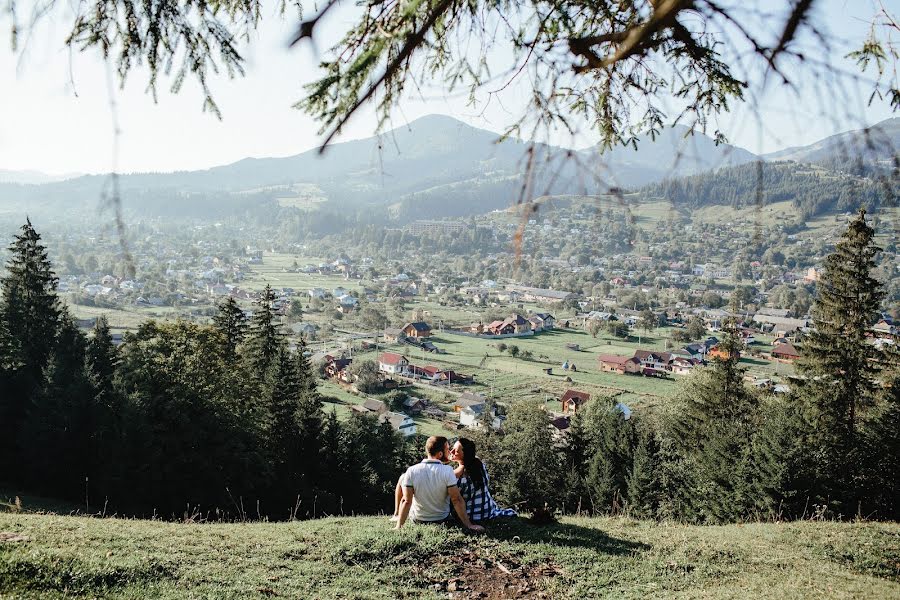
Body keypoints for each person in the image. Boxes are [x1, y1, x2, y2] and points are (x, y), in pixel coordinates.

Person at [393, 435, 484, 532]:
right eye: (448, 449)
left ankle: (396, 518)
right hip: (442, 520)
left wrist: (399, 526)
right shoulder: (448, 471)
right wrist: (469, 525)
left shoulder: (411, 471)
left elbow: (406, 501)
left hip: (418, 520)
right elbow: (456, 499)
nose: (449, 452)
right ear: (440, 454)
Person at [449, 438, 517, 523]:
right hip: (487, 511)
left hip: (471, 516)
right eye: (452, 448)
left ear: (465, 455)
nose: (451, 451)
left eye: (456, 451)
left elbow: (455, 500)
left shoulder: (460, 479)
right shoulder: (480, 466)